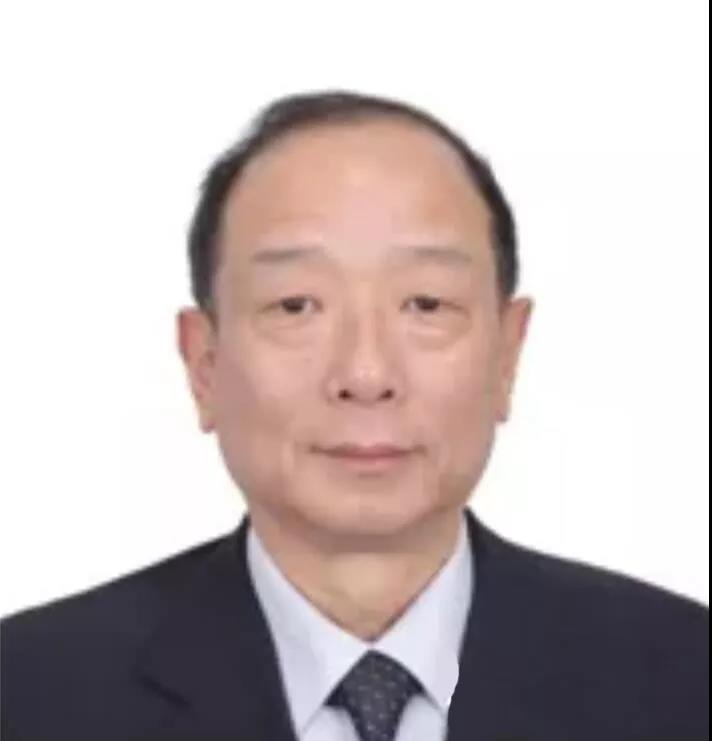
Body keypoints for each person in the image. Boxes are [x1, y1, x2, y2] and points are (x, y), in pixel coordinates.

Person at [1, 90, 708, 741]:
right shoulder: (31, 694)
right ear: (204, 364)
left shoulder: (682, 677)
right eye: (295, 306)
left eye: (426, 304)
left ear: (507, 355)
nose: (366, 375)